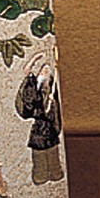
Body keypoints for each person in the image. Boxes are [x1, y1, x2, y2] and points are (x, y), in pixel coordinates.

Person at [15, 53, 64, 185]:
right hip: (39, 129)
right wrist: (34, 59)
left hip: (49, 127)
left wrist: (52, 104)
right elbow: (27, 74)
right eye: (43, 72)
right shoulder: (34, 91)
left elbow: (56, 113)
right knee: (39, 154)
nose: (44, 74)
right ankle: (40, 175)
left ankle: (55, 174)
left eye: (47, 72)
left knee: (52, 153)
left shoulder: (52, 92)